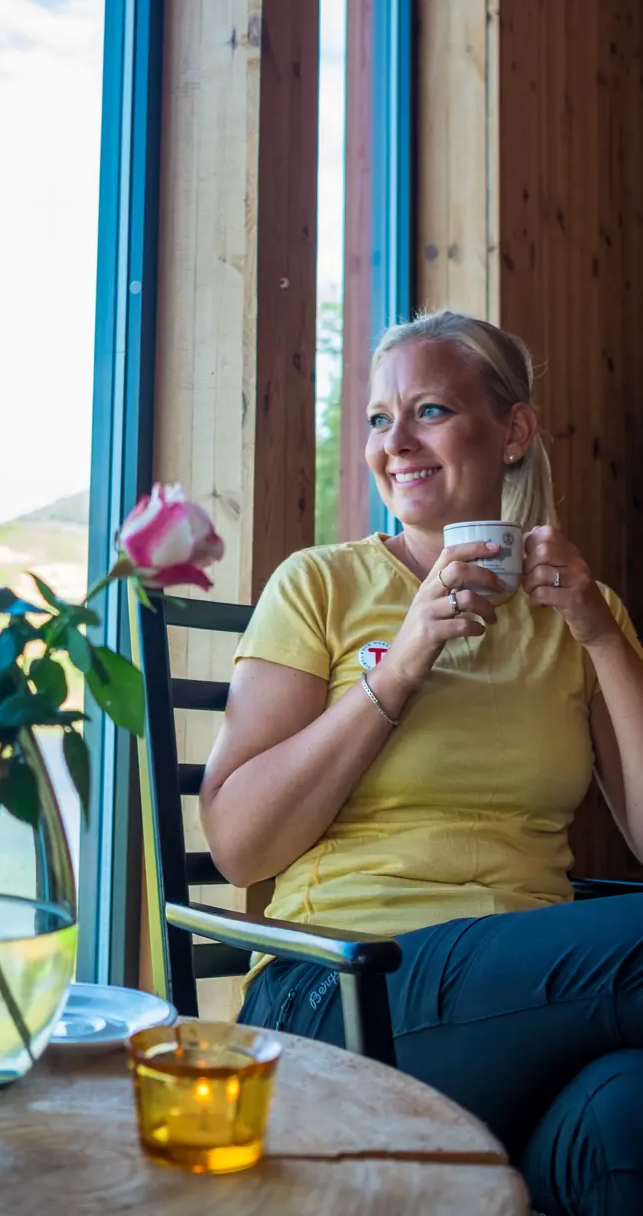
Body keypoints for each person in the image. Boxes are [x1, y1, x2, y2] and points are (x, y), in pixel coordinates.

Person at [202, 310, 643, 1216]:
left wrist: (601, 636)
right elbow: (240, 847)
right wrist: (403, 658)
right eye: (376, 419)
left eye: (429, 410)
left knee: (628, 1119)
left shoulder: (583, 614)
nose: (393, 442)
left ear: (513, 431)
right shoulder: (319, 584)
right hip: (338, 994)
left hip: (529, 1010)